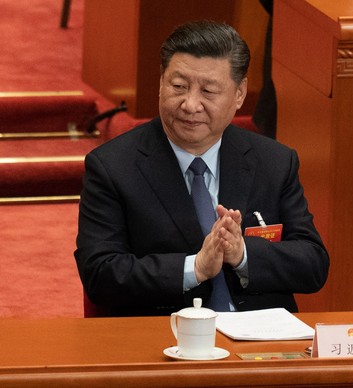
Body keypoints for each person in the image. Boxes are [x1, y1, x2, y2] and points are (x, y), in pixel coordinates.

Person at [75, 20, 329, 317]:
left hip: (259, 342)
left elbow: (313, 263)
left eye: (208, 91)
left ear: (239, 93)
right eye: (179, 86)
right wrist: (193, 268)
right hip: (166, 339)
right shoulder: (113, 167)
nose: (190, 104)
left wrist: (242, 254)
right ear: (160, 83)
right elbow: (100, 274)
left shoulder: (273, 161)